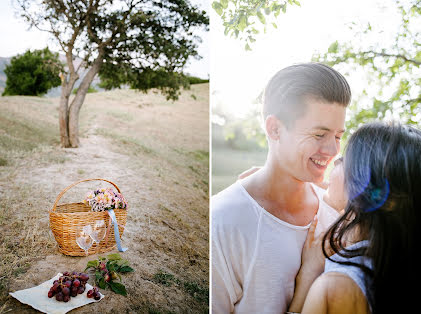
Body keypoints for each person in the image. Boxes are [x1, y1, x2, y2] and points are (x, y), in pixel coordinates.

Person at [211, 62, 351, 313]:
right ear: (274, 129)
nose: (332, 150)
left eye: (338, 136)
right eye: (319, 135)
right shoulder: (222, 221)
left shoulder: (338, 217)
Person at [288, 122, 421, 314]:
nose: (335, 161)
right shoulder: (399, 258)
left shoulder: (337, 288)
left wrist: (308, 274)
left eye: (345, 160)